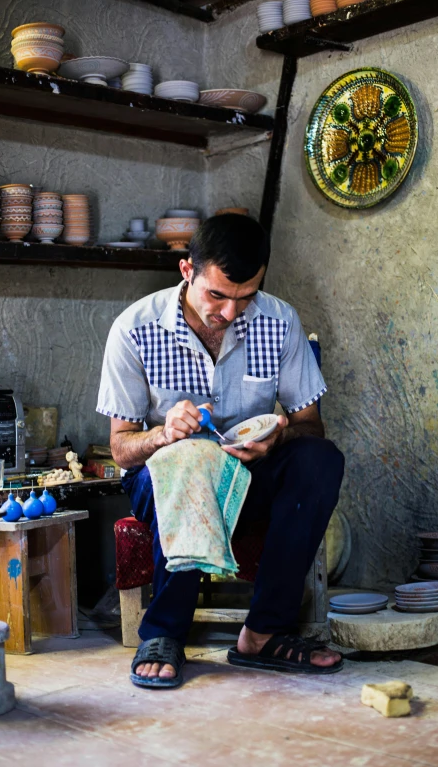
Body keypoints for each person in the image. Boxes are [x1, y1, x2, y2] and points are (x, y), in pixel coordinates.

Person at [97, 214, 345, 689]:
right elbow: (122, 449)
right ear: (187, 269)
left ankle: (263, 635)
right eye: (217, 295)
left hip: (251, 479)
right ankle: (165, 634)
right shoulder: (135, 329)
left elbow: (313, 427)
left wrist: (279, 433)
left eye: (245, 297)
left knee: (321, 459)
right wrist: (164, 435)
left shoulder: (279, 320)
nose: (231, 313)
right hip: (164, 479)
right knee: (190, 461)